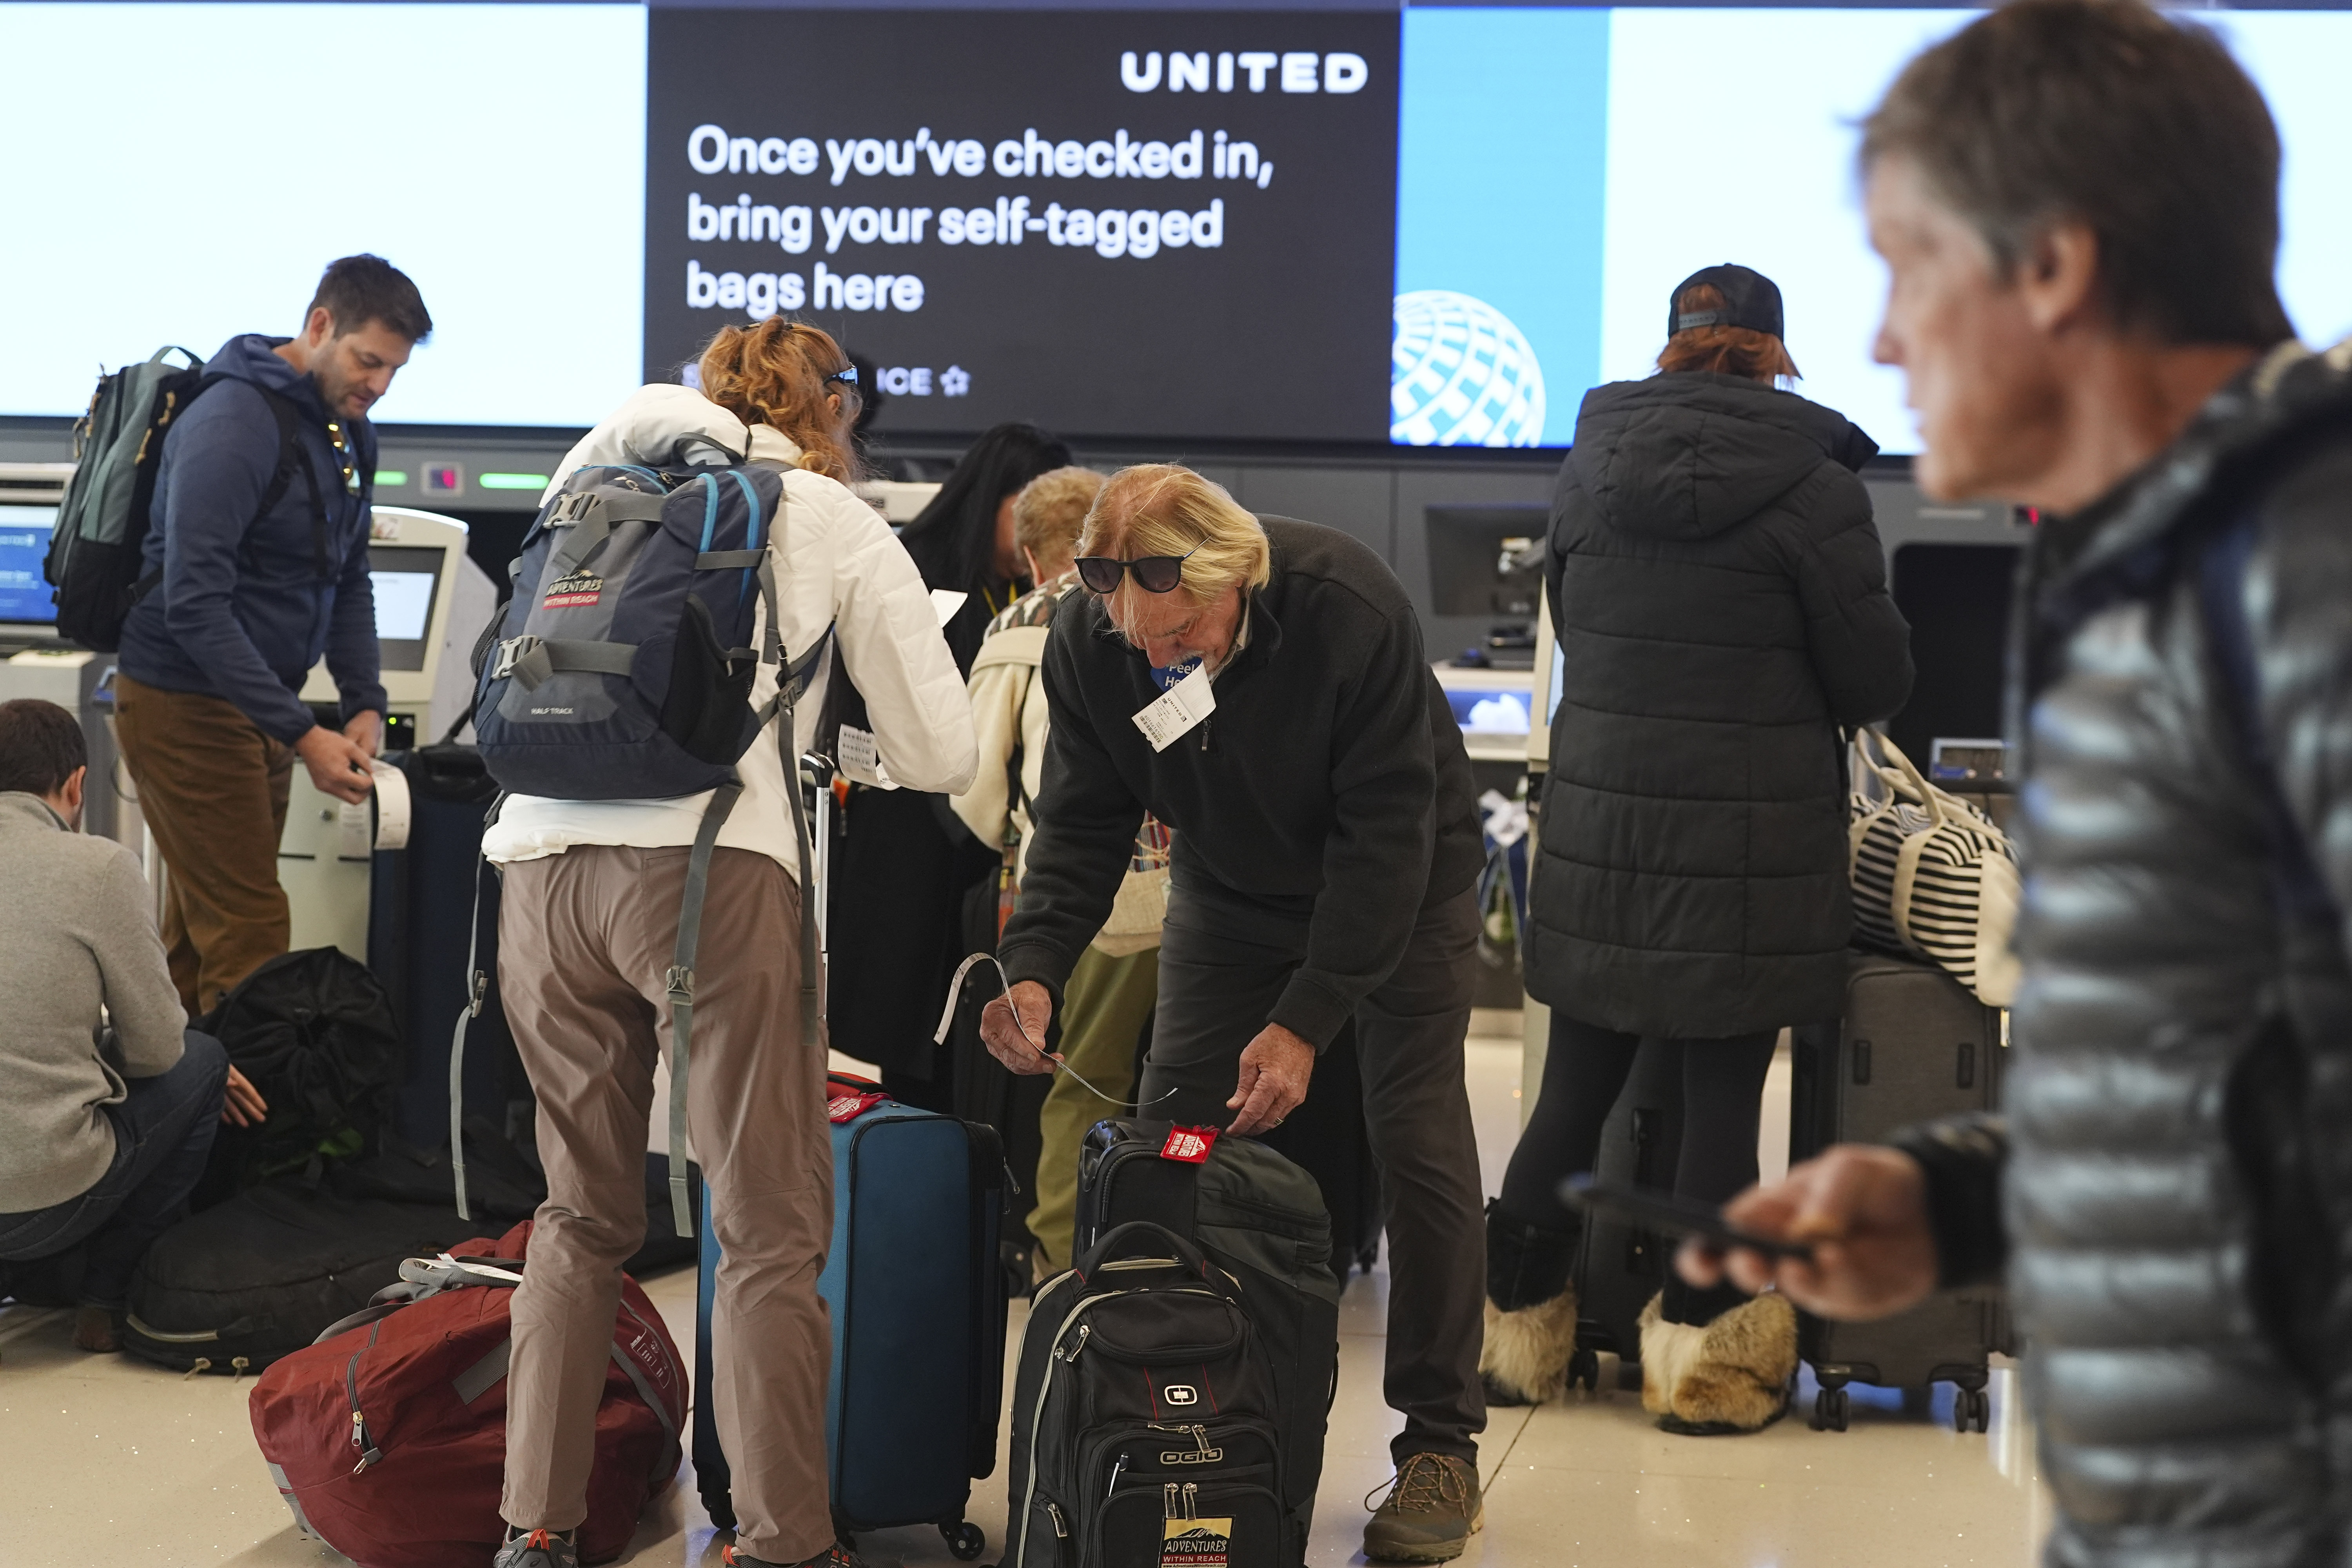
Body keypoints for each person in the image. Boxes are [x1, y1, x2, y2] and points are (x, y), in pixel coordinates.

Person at [1680, 2, 2352, 1561]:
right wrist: (1966, 1201)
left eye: (1910, 264)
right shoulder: (2157, 568)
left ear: (2053, 264)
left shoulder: (2304, 568)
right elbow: (2229, 1068)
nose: (1883, 339)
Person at [481, 320, 976, 1568]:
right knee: (762, 1227)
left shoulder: (585, 479)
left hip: (538, 868)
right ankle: (783, 1540)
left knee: (578, 1213)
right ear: (834, 414)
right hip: (711, 872)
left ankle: (534, 1529)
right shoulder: (824, 513)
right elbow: (943, 753)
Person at [982, 465, 1491, 1564]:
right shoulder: (1097, 639)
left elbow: (1385, 844)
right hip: (1229, 886)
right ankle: (1179, 1405)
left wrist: (1307, 1020)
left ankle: (1440, 1441)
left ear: (1238, 576)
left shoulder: (1347, 609)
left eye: (1184, 634)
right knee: (1171, 1138)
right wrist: (1035, 970)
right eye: (1138, 640)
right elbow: (1078, 821)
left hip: (1407, 880)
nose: (1161, 656)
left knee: (1416, 1136)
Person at [1481, 265, 1914, 1431]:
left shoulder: (1589, 469)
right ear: (1774, 350)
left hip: (1607, 827)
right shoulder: (1818, 490)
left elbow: (1578, 628)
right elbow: (1874, 679)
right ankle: (1706, 1373)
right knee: (1724, 1101)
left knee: (1572, 1091)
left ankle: (1517, 1343)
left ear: (1673, 347)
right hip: (1751, 843)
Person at [114, 254, 432, 1016]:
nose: (379, 385)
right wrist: (302, 733)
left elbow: (347, 573)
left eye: (394, 369)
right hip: (183, 701)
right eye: (368, 361)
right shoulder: (233, 423)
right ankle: (254, 1135)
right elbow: (194, 604)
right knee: (251, 929)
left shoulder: (348, 431)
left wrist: (364, 698)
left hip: (254, 706)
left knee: (201, 932)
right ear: (320, 326)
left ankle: (178, 1126)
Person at [949, 465, 1169, 1280]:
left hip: (1089, 897)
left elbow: (973, 787)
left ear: (1036, 551)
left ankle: (1065, 1258)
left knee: (1086, 1081)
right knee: (1189, 1078)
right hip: (1191, 879)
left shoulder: (1025, 620)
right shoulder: (1169, 596)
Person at [0, 699, 265, 1352]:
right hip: (41, 1206)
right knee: (202, 1061)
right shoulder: (99, 867)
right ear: (76, 785)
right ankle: (107, 1296)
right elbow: (156, 1050)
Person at [826, 421, 1073, 1111]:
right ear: (992, 494)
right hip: (906, 832)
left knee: (974, 1044)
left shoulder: (1031, 596)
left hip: (980, 842)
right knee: (914, 1035)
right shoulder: (915, 566)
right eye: (1025, 503)